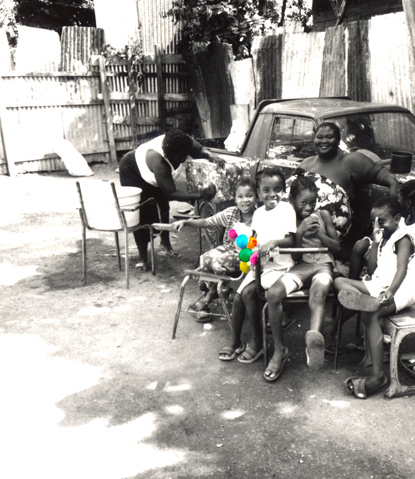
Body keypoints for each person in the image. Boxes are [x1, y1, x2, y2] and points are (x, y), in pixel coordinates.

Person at [333, 197, 415, 399]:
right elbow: (372, 270)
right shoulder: (383, 238)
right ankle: (367, 303)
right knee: (338, 282)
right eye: (374, 222)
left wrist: (391, 292)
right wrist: (374, 242)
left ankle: (378, 377)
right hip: (379, 285)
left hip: (402, 288)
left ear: (397, 219)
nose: (377, 225)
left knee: (371, 316)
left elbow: (402, 270)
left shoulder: (403, 238)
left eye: (382, 221)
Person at [264, 174, 341, 374]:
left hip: (323, 265)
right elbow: (295, 257)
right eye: (303, 203)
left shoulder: (323, 215)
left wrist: (320, 234)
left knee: (318, 293)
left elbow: (338, 248)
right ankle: (279, 350)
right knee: (273, 294)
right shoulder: (288, 217)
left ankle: (313, 341)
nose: (308, 207)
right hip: (302, 266)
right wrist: (299, 233)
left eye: (312, 203)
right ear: (292, 200)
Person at [118, 129, 224, 269]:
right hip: (132, 172)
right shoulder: (159, 162)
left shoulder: (183, 140)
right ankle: (143, 257)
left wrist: (210, 155)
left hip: (153, 171)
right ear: (169, 154)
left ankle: (165, 243)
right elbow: (170, 193)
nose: (183, 160)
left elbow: (200, 150)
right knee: (143, 212)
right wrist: (200, 194)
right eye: (179, 157)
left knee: (164, 206)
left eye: (184, 155)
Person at [226, 167, 297, 373]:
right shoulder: (258, 213)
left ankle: (264, 343)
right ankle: (249, 340)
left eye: (277, 189)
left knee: (250, 293)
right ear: (258, 192)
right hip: (261, 266)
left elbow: (291, 240)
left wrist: (274, 242)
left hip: (281, 267)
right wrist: (246, 248)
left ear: (284, 191)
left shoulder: (286, 209)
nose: (272, 194)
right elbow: (255, 239)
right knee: (241, 296)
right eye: (266, 190)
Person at [171, 176, 258, 328]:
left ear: (256, 197)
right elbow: (206, 222)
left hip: (246, 256)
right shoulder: (231, 213)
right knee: (205, 258)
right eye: (240, 196)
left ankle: (215, 294)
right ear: (235, 199)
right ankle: (210, 294)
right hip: (227, 250)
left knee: (218, 262)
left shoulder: (260, 216)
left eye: (249, 196)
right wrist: (186, 222)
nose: (245, 200)